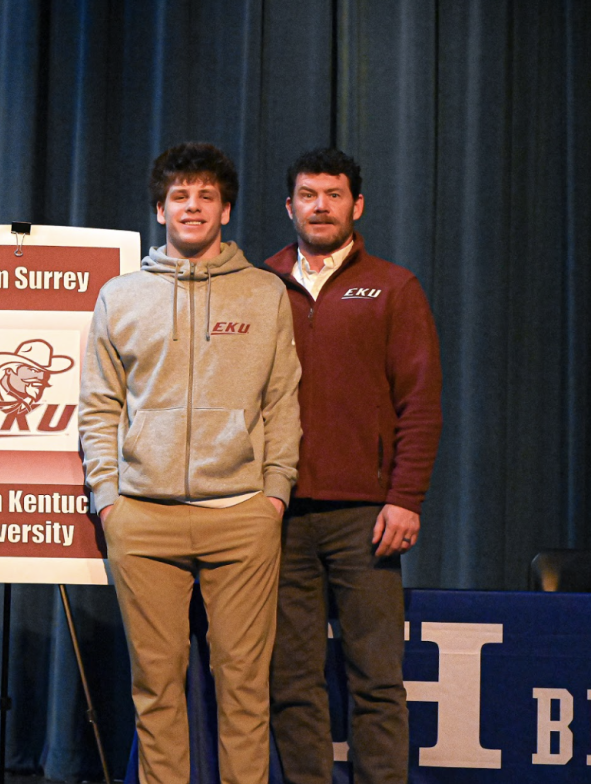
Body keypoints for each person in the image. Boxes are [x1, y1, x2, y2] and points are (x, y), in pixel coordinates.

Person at [79, 142, 301, 784]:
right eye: (181, 195)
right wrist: (109, 501)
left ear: (225, 210)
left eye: (206, 196)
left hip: (241, 519)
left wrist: (274, 495)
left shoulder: (264, 293)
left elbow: (283, 401)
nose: (193, 206)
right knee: (155, 691)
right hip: (143, 520)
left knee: (244, 692)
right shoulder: (120, 296)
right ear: (160, 209)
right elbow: (98, 405)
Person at [265, 148, 443, 784]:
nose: (320, 205)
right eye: (308, 194)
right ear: (289, 206)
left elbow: (419, 404)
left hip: (366, 518)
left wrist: (406, 498)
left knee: (377, 683)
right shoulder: (260, 285)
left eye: (333, 195)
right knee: (291, 684)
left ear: (356, 205)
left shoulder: (394, 287)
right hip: (278, 517)